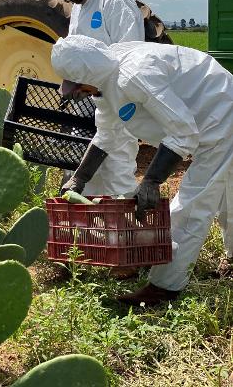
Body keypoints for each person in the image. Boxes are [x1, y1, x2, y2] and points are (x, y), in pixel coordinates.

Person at [51, 34, 233, 304]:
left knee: (193, 205)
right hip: (208, 118)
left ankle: (164, 287)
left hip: (220, 115)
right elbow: (106, 135)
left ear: (88, 74)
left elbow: (183, 133)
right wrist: (79, 178)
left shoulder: (133, 75)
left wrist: (151, 180)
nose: (76, 92)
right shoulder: (104, 81)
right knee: (227, 192)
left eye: (77, 86)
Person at [50, 0, 145, 199]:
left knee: (117, 167)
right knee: (84, 169)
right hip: (89, 100)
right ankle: (91, 233)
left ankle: (123, 231)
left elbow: (131, 55)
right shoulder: (79, 9)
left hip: (117, 99)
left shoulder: (115, 2)